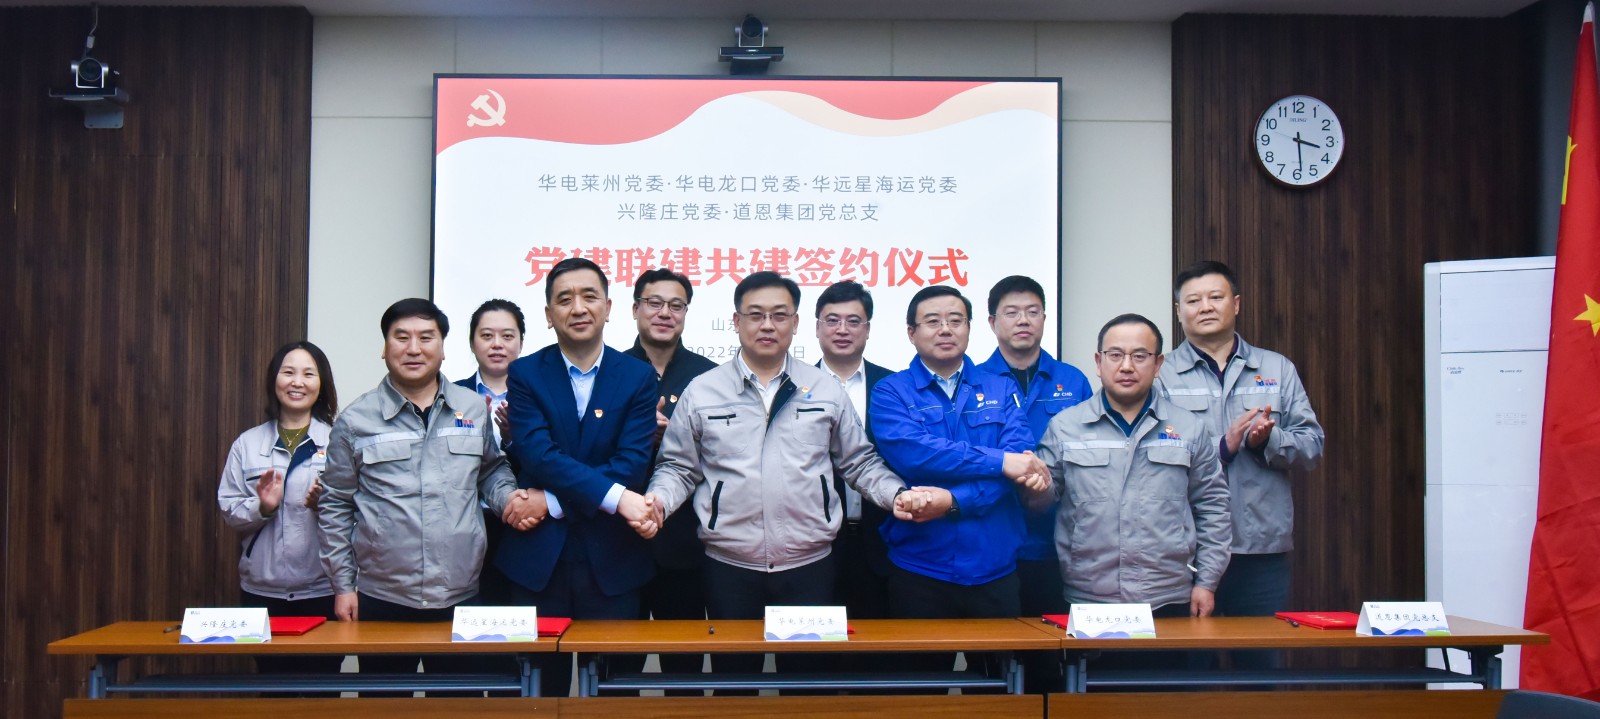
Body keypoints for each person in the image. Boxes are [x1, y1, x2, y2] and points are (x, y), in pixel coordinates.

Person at [642, 271, 918, 681]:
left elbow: (859, 462)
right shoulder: (704, 391)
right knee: (734, 682)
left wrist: (896, 494)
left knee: (807, 684)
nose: (767, 325)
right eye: (755, 315)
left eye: (779, 315)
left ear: (796, 322)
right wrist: (658, 501)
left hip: (809, 565)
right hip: (729, 565)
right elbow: (679, 467)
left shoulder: (823, 388)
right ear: (736, 322)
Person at [318, 298, 523, 691]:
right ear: (384, 348)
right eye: (402, 337)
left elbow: (491, 471)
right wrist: (343, 586)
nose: (414, 348)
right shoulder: (356, 420)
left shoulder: (471, 408)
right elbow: (335, 504)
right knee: (386, 707)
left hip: (461, 594)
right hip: (383, 598)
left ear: (443, 348)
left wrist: (509, 500)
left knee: (457, 706)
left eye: (426, 337)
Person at [497, 258, 660, 697]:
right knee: (537, 694)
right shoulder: (526, 373)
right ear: (549, 315)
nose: (578, 307)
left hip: (613, 561)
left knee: (613, 694)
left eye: (589, 296)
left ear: (608, 307)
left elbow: (631, 463)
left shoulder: (638, 376)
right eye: (564, 299)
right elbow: (538, 454)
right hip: (538, 563)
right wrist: (617, 497)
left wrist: (550, 502)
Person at [869, 285, 1048, 676]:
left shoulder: (1001, 387)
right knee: (919, 690)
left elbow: (1019, 466)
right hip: (920, 568)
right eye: (932, 321)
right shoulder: (890, 392)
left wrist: (954, 501)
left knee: (1000, 688)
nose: (946, 329)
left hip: (995, 565)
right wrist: (999, 462)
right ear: (911, 332)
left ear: (969, 327)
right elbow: (916, 454)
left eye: (956, 320)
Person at [1159, 261, 1324, 670]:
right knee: (1187, 672)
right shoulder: (1161, 375)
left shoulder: (1277, 368)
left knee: (1262, 669)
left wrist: (1269, 441)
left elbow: (1312, 447)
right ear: (1178, 311)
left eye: (1215, 297)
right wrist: (1223, 447)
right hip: (1185, 552)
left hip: (1260, 551)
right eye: (1193, 301)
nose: (1205, 307)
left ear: (1236, 304)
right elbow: (1151, 459)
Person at [1036, 313, 1230, 618]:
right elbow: (1041, 501)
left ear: (1158, 364)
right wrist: (1034, 484)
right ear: (1099, 362)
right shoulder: (1065, 427)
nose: (1127, 366)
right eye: (1115, 355)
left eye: (1140, 356)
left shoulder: (1189, 428)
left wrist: (1207, 582)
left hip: (1168, 595)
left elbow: (1213, 506)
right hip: (1089, 596)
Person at [975, 276, 1092, 691]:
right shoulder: (974, 380)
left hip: (1055, 544)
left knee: (1050, 660)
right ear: (993, 322)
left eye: (1032, 311)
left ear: (1044, 318)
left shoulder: (1073, 381)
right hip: (991, 541)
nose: (1023, 320)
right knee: (994, 663)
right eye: (1011, 312)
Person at [217, 340, 341, 679]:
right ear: (275, 380)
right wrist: (263, 507)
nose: (297, 382)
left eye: (308, 374)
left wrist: (325, 506)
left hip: (322, 590)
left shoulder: (339, 443)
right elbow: (229, 509)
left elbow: (361, 516)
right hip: (262, 591)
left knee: (323, 691)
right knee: (273, 689)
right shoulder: (247, 444)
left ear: (322, 384)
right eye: (288, 372)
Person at [623, 267, 718, 686]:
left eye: (676, 305)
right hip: (618, 541)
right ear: (635, 309)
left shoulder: (710, 376)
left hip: (686, 542)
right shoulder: (610, 370)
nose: (665, 313)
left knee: (684, 669)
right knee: (618, 666)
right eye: (655, 303)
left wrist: (678, 435)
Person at [813, 280, 896, 621]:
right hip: (815, 543)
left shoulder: (894, 386)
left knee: (880, 644)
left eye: (853, 321)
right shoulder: (794, 387)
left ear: (868, 329)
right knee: (814, 644)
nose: (842, 330)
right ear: (817, 327)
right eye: (832, 320)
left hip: (883, 537)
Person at [455, 298, 538, 609]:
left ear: (521, 342)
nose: (497, 344)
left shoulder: (538, 396)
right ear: (472, 343)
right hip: (464, 524)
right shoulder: (451, 396)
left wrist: (513, 439)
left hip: (523, 522)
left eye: (507, 336)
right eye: (487, 335)